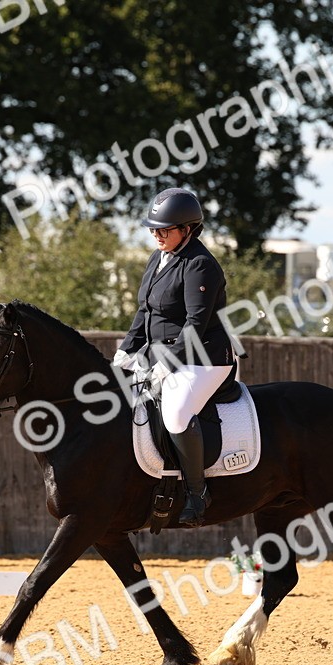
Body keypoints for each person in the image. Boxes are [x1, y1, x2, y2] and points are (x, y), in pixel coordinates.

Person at [112, 188, 235, 527]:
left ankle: (197, 493)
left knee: (177, 413)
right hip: (159, 353)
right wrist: (125, 351)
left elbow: (195, 324)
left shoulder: (200, 265)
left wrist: (166, 364)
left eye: (164, 229)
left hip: (204, 359)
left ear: (188, 229)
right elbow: (145, 311)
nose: (157, 235)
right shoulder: (158, 258)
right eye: (153, 229)